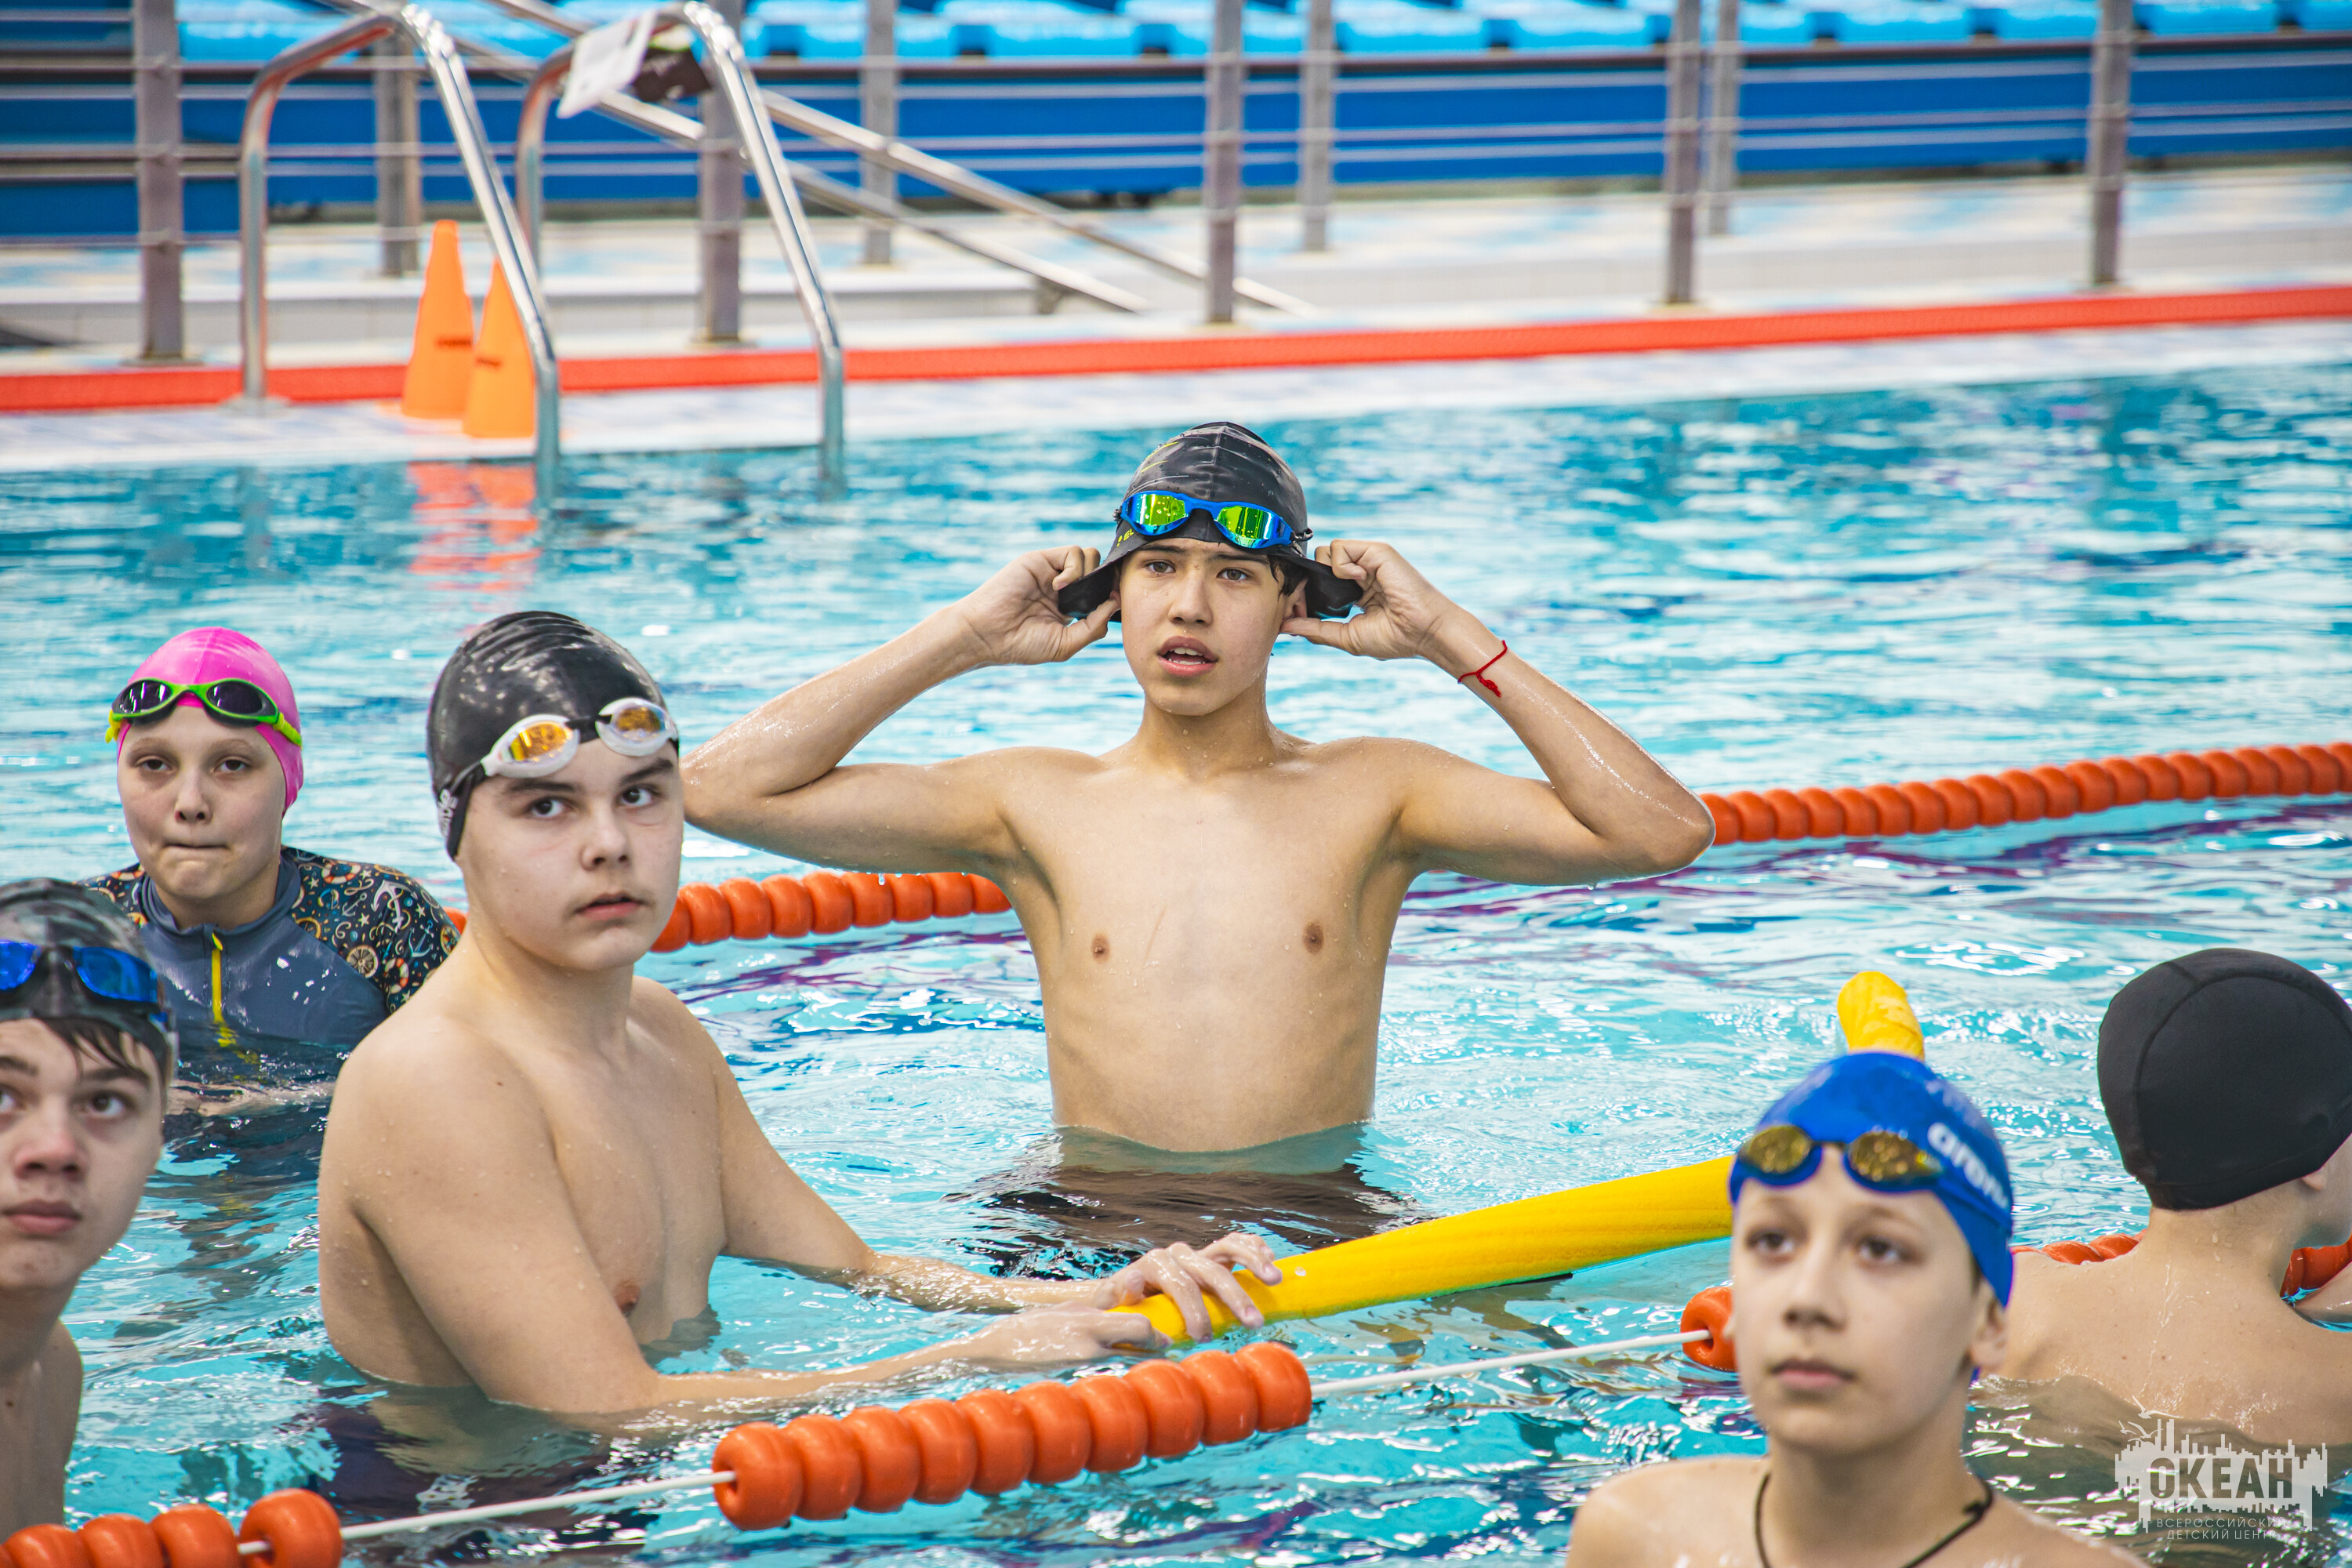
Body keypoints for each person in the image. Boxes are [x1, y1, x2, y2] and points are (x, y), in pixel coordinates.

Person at [318, 612, 1280, 1417]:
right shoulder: (436, 1077)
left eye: (641, 795)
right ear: (456, 832)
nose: (609, 843)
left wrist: (1094, 1291)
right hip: (476, 1522)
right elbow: (607, 1407)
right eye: (546, 808)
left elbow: (856, 1267)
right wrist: (968, 1363)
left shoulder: (660, 1032)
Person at [683, 422, 1712, 1156]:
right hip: (1090, 1222)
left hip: (1316, 1219)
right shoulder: (1032, 803)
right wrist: (961, 636)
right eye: (1160, 567)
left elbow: (1660, 830)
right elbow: (722, 790)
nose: (1189, 606)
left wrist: (1449, 635)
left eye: (1233, 575)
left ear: (1292, 604)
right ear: (1114, 595)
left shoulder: (1381, 793)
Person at [1566, 1052, 2132, 1568]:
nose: (1807, 1298)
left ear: (1985, 1322)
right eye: (1771, 1241)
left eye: (1880, 1249)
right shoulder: (1634, 1538)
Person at [2001, 948, 2352, 1443]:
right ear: (2316, 1160)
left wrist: (2312, 1310)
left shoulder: (2016, 1302)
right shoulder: (2338, 1387)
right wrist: (2311, 1318)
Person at [87, 628, 456, 1083]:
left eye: (232, 765)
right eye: (154, 764)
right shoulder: (77, 934)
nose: (190, 803)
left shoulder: (382, 920)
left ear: (289, 783)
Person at [0, 880, 171, 1532]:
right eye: (2, 1096)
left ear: (160, 1137)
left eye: (105, 1102)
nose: (55, 1149)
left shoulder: (52, 1366)